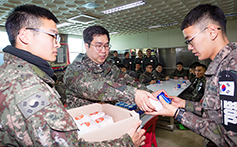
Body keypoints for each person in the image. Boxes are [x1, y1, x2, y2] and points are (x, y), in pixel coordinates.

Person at [0, 5, 146, 146]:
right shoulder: (27, 86)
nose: (58, 44)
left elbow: (126, 80)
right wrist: (127, 143)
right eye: (53, 36)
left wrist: (149, 94)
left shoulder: (17, 72)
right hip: (87, 130)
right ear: (25, 36)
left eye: (106, 46)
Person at [149, 4, 237, 147]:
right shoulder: (222, 65)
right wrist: (184, 104)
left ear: (212, 32)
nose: (189, 47)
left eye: (190, 40)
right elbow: (216, 113)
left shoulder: (232, 68)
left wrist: (178, 114)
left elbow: (230, 139)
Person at [64, 25, 158, 113]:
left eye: (106, 45)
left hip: (106, 118)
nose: (104, 50)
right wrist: (134, 94)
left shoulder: (108, 66)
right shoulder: (74, 70)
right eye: (98, 46)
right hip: (83, 122)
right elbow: (98, 88)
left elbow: (128, 81)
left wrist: (151, 95)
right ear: (86, 46)